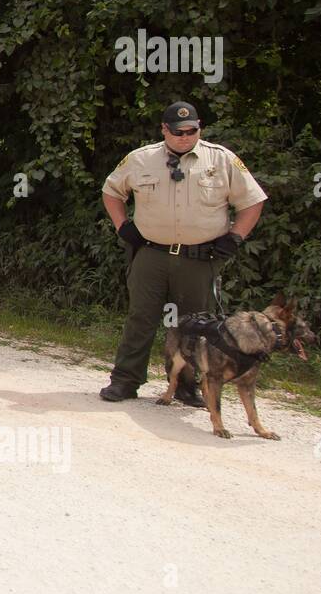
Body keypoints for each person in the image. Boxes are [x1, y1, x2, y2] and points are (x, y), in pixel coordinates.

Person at [99, 101, 268, 403]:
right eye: (177, 132)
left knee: (195, 325)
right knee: (141, 318)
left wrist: (235, 237)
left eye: (191, 131)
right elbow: (111, 191)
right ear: (164, 129)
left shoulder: (221, 160)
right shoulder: (141, 159)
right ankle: (125, 380)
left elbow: (253, 201)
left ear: (199, 127)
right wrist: (122, 226)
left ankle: (186, 386)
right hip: (151, 254)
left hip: (199, 258)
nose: (185, 137)